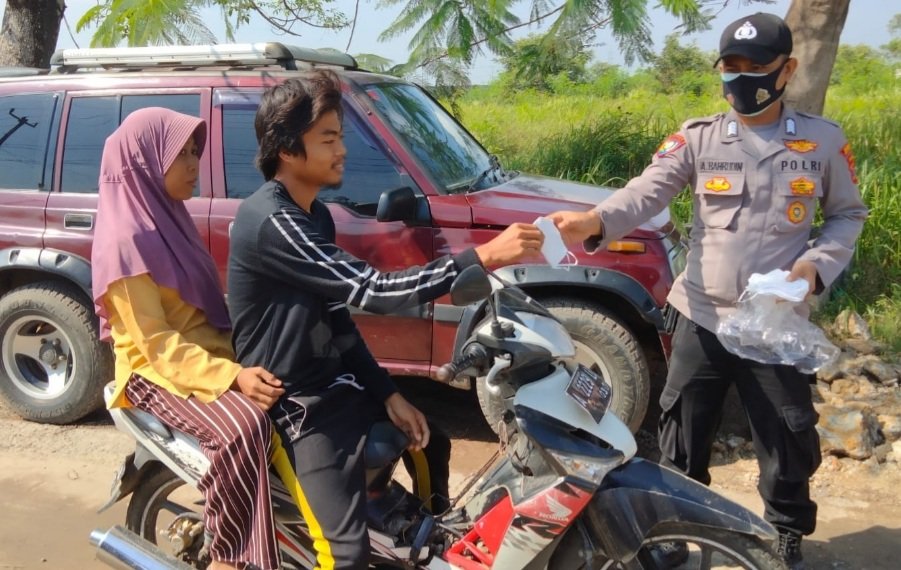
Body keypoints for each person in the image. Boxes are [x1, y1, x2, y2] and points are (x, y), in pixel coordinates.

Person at [547, 13, 867, 570]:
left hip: (773, 322)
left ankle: (783, 534)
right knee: (679, 433)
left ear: (786, 70)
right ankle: (671, 531)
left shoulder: (821, 141)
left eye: (755, 68)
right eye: (731, 68)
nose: (741, 79)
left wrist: (816, 267)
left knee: (787, 436)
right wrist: (593, 221)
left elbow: (847, 215)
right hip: (701, 314)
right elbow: (647, 192)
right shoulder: (698, 137)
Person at [227, 72, 544, 569]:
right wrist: (480, 257)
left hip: (334, 385)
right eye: (328, 138)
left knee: (430, 441)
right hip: (293, 405)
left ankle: (427, 555)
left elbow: (338, 321)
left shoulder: (316, 216)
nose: (342, 150)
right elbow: (373, 291)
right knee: (344, 555)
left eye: (341, 137)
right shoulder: (271, 220)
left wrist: (389, 394)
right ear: (288, 150)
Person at [91, 107, 287, 570]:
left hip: (205, 356)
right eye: (182, 154)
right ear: (145, 161)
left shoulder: (170, 220)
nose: (194, 164)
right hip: (152, 374)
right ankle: (229, 559)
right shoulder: (126, 241)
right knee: (243, 427)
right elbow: (157, 344)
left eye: (195, 152)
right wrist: (233, 376)